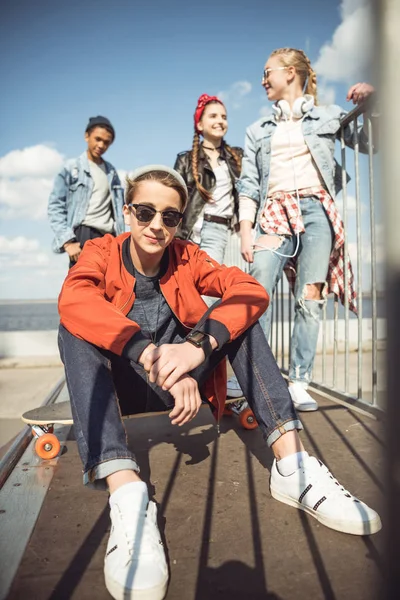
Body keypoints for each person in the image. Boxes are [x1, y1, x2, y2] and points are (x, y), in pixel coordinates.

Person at [58, 165, 381, 600]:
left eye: (169, 217)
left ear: (180, 223)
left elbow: (248, 289)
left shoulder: (189, 257)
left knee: (238, 317)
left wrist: (196, 350)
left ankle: (293, 467)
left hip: (185, 375)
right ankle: (128, 493)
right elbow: (75, 299)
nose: (156, 225)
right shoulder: (101, 251)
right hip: (127, 385)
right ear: (127, 211)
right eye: (145, 211)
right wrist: (149, 354)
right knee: (74, 327)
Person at [238, 47, 377, 412]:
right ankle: (258, 377)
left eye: (268, 71)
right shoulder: (258, 130)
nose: (263, 79)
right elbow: (249, 184)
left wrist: (372, 105)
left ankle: (299, 381)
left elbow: (370, 144)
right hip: (274, 211)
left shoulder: (328, 116)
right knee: (258, 291)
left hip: (317, 211)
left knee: (310, 298)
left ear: (290, 72)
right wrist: (246, 229)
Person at [174, 93, 244, 398]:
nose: (220, 121)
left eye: (224, 116)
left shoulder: (237, 156)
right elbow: (176, 194)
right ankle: (189, 369)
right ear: (199, 124)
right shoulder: (185, 158)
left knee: (208, 299)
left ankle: (206, 372)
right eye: (213, 116)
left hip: (218, 230)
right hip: (188, 232)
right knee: (186, 298)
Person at [48, 115, 125, 268]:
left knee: (109, 286)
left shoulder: (111, 173)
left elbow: (119, 209)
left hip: (109, 237)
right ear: (86, 136)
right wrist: (68, 242)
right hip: (84, 235)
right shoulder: (71, 169)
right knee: (82, 286)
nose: (101, 145)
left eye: (106, 142)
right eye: (98, 139)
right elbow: (55, 206)